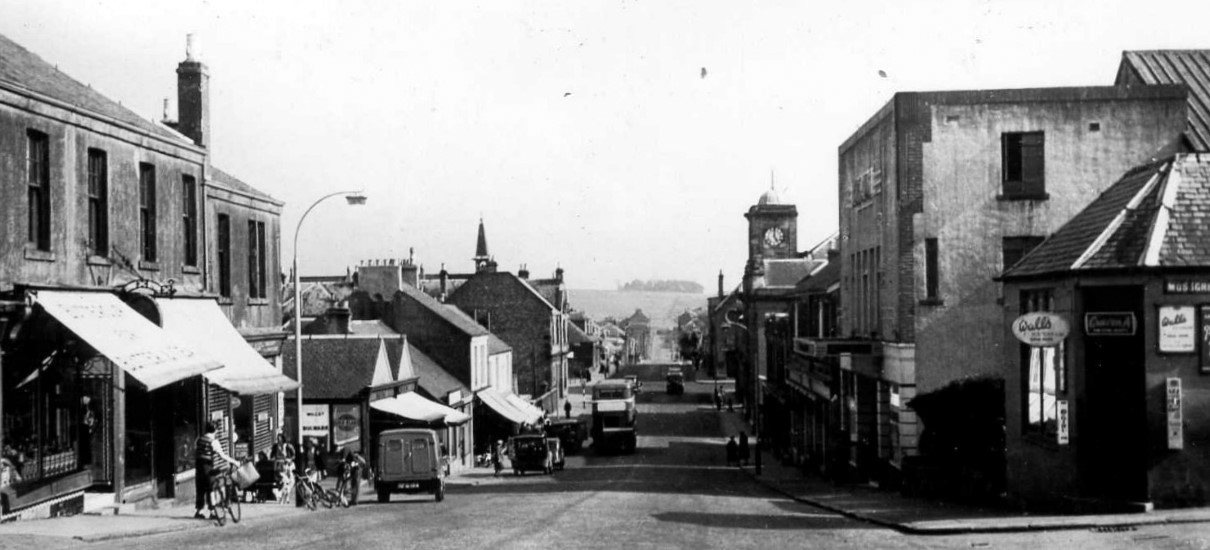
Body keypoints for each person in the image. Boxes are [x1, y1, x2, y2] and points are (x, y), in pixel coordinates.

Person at [194, 421, 239, 519]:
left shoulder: (199, 439)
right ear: (215, 430)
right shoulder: (213, 441)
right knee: (211, 488)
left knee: (200, 488)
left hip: (198, 467)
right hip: (208, 467)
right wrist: (234, 462)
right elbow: (222, 456)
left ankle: (199, 511)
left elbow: (196, 450)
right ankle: (213, 511)